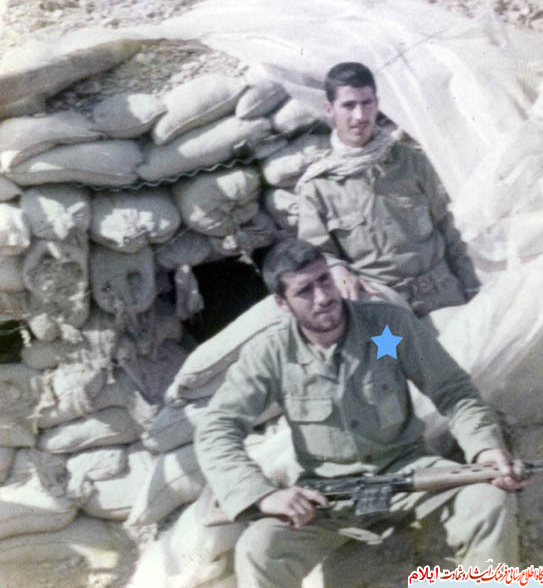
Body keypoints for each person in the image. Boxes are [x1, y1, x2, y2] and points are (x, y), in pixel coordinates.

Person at [195, 239, 525, 588]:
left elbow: (453, 391)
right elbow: (216, 428)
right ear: (282, 303)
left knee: (486, 502)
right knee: (259, 550)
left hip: (410, 474)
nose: (323, 296)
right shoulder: (270, 354)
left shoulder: (387, 326)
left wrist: (485, 448)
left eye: (324, 279)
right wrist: (263, 494)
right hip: (327, 497)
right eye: (305, 290)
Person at [297, 61, 479, 317]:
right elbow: (316, 256)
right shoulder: (318, 187)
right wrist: (338, 269)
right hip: (384, 311)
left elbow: (447, 228)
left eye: (366, 103)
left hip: (444, 293)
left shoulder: (411, 161)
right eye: (348, 105)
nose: (360, 116)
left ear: (377, 104)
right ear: (329, 109)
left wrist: (470, 286)